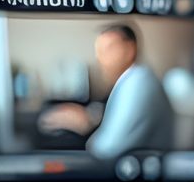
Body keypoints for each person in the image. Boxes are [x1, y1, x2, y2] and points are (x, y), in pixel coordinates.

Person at [40, 22, 174, 158]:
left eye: (108, 49)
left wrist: (87, 129)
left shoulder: (139, 82)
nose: (100, 59)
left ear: (130, 49)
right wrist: (89, 118)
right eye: (98, 51)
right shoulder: (129, 81)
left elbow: (107, 150)